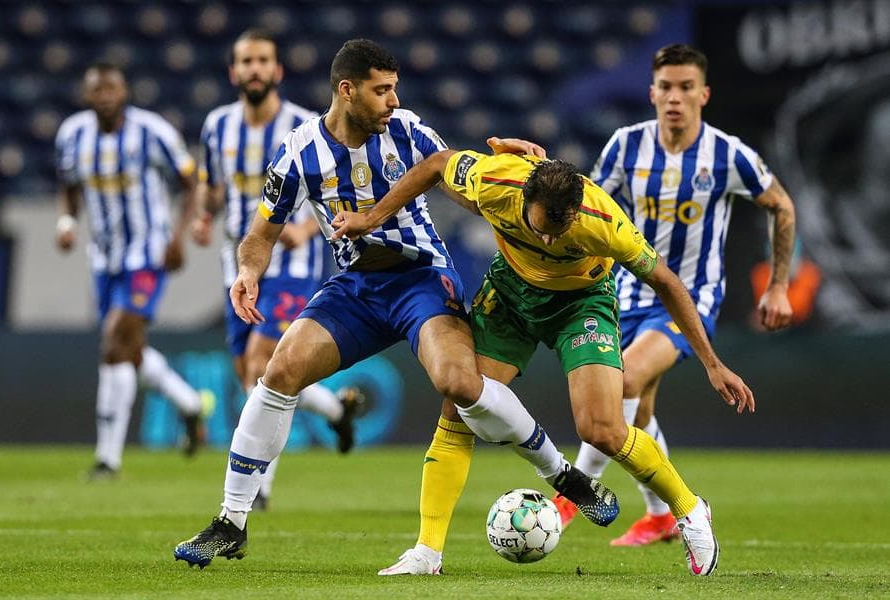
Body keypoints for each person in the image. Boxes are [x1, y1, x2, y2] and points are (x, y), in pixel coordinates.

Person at [173, 39, 615, 571]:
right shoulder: (298, 151)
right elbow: (260, 234)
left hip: (421, 280)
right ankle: (231, 522)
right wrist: (248, 272)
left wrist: (519, 177)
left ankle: (562, 475)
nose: (393, 100)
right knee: (279, 371)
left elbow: (462, 183)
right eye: (381, 90)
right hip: (356, 288)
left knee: (458, 383)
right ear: (347, 90)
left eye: (395, 89)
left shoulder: (407, 131)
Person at [331, 146, 756, 576]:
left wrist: (712, 363)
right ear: (524, 199)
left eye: (559, 231)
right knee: (460, 408)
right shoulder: (495, 181)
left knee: (602, 430)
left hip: (581, 304)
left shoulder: (604, 222)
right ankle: (428, 552)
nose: (549, 241)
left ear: (576, 210)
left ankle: (690, 510)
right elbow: (437, 164)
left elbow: (666, 282)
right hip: (510, 296)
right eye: (539, 229)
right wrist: (371, 218)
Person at [552, 43, 796, 546]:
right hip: (626, 293)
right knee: (638, 411)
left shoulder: (727, 154)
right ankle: (662, 514)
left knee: (625, 379)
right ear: (652, 93)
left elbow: (782, 206)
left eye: (686, 88)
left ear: (704, 94)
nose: (675, 97)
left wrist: (778, 285)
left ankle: (572, 495)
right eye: (666, 87)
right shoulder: (626, 145)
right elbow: (591, 206)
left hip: (691, 299)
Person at [191, 29, 364, 511]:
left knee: (260, 363)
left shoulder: (306, 127)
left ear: (277, 70)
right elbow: (212, 185)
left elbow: (334, 195)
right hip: (239, 265)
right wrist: (204, 215)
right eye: (246, 61)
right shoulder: (217, 126)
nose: (255, 69)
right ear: (234, 72)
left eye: (263, 60)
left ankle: (258, 488)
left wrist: (305, 230)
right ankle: (335, 410)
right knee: (250, 374)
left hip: (292, 264)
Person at [54, 63, 211, 478]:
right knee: (129, 349)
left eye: (112, 88)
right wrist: (67, 221)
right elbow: (68, 185)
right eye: (97, 90)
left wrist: (177, 237)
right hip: (103, 257)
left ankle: (108, 459)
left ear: (124, 92)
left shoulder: (152, 131)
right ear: (87, 96)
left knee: (113, 342)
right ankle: (190, 405)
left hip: (148, 254)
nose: (105, 96)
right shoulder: (72, 135)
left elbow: (191, 181)